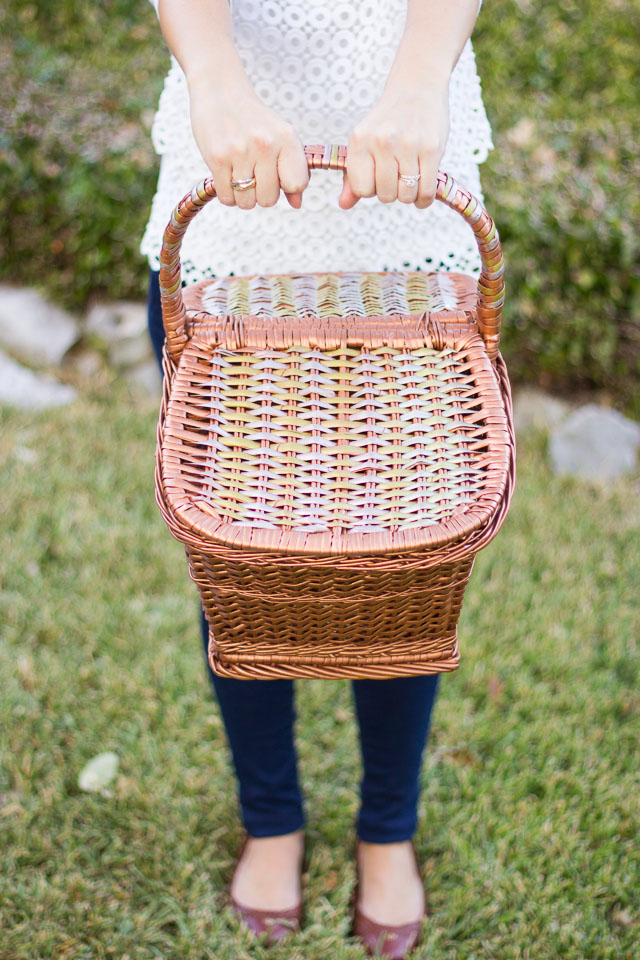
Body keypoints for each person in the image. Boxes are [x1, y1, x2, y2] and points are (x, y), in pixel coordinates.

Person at [143, 1, 491, 955]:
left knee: (411, 562)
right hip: (227, 202)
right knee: (239, 559)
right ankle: (273, 820)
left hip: (410, 196)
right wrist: (211, 75)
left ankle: (388, 831)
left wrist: (422, 79)